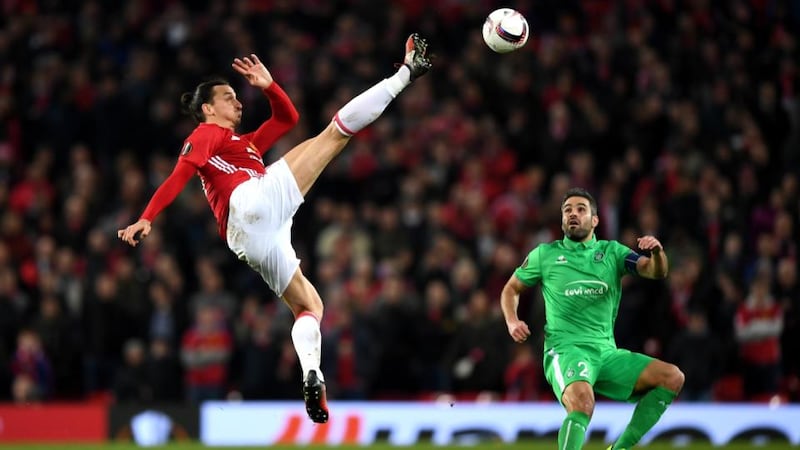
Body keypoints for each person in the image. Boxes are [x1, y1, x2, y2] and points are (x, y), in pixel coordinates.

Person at [118, 34, 432, 423]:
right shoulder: (205, 134)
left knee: (310, 306)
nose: (237, 101)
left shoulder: (242, 144)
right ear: (207, 108)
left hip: (253, 237)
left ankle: (312, 373)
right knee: (335, 134)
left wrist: (269, 87)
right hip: (250, 203)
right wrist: (148, 216)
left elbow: (287, 119)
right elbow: (180, 172)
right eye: (228, 96)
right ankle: (405, 74)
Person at [500, 187, 684, 450]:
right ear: (562, 220)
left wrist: (656, 253)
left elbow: (655, 272)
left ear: (595, 220)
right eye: (567, 210)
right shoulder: (545, 254)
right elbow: (511, 289)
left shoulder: (612, 253)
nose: (573, 214)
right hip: (566, 351)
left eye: (581, 209)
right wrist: (512, 320)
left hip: (606, 353)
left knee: (672, 377)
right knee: (583, 404)